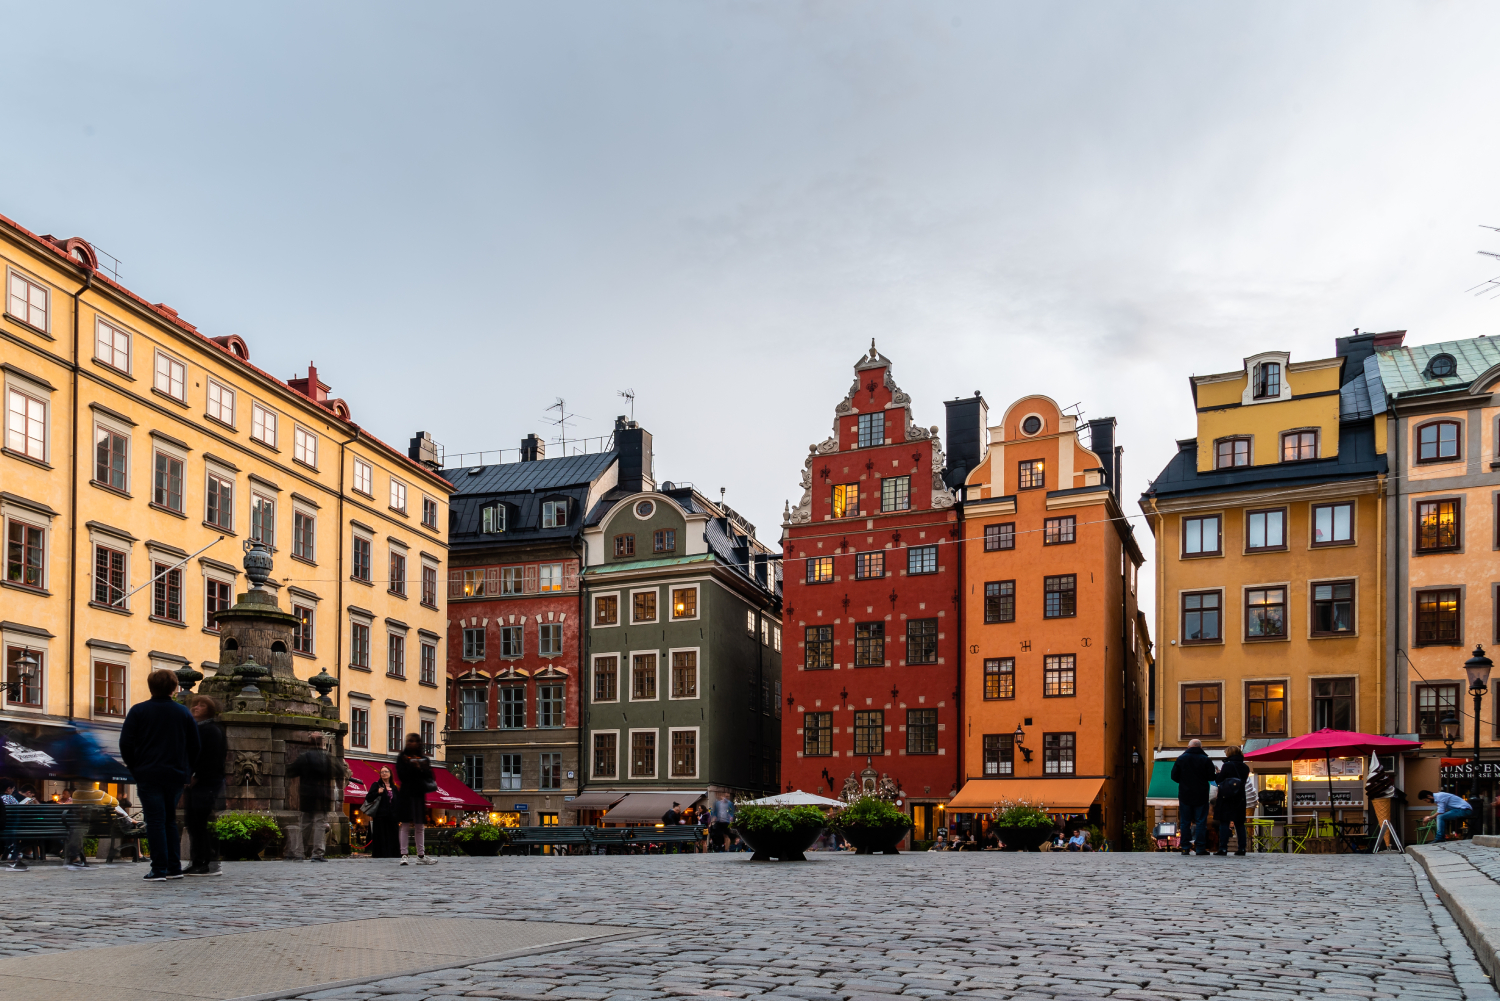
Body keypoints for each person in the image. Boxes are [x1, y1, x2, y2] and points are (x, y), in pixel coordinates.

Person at [119, 668, 200, 881]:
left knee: (155, 820)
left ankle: (159, 868)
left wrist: (134, 766)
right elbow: (195, 745)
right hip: (175, 773)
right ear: (174, 688)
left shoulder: (138, 711)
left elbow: (125, 743)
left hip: (148, 772)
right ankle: (174, 867)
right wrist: (188, 770)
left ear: (150, 687)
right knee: (169, 820)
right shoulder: (183, 713)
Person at [184, 695, 227, 876]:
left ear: (209, 710)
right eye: (195, 705)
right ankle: (197, 860)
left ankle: (207, 862)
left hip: (206, 783)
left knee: (201, 822)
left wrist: (196, 775)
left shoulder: (211, 730)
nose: (196, 708)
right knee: (193, 822)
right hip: (196, 783)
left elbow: (212, 758)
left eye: (201, 705)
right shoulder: (196, 728)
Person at [285, 733, 339, 861]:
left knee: (305, 824)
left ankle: (299, 852)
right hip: (322, 796)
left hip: (306, 796)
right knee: (320, 824)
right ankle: (317, 854)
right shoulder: (327, 757)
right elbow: (339, 771)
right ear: (322, 743)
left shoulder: (304, 757)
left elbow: (291, 771)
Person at [394, 733, 436, 865]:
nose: (411, 743)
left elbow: (430, 776)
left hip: (418, 794)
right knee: (405, 825)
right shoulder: (402, 758)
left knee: (419, 826)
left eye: (414, 741)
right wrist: (411, 766)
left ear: (419, 743)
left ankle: (421, 855)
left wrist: (420, 767)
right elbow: (401, 776)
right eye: (409, 741)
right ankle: (404, 854)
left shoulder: (424, 759)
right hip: (406, 794)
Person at [1171, 738, 1217, 856]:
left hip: (1185, 794)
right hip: (1201, 795)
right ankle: (1200, 847)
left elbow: (1174, 776)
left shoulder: (1181, 759)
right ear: (1201, 748)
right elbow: (1211, 777)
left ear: (1188, 747)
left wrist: (1184, 781)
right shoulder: (1206, 760)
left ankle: (1185, 847)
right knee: (1201, 821)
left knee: (1185, 822)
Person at [1214, 745, 1250, 856]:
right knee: (1239, 824)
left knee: (1224, 822)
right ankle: (1242, 848)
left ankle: (1223, 848)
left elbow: (1219, 780)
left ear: (1229, 754)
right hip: (1240, 797)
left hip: (1226, 797)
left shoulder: (1227, 765)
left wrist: (1218, 773)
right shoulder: (1245, 767)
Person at [364, 765, 400, 858]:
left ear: (390, 773)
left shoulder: (394, 787)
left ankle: (393, 854)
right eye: (382, 772)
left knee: (393, 836)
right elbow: (368, 798)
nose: (384, 773)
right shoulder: (376, 785)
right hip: (380, 816)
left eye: (386, 771)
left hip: (392, 817)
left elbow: (398, 801)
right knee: (381, 836)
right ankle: (381, 855)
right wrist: (378, 792)